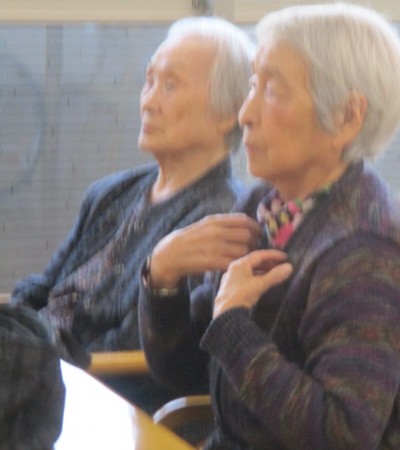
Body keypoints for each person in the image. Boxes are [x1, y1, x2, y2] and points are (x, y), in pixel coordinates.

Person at [140, 3, 400, 449]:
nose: (245, 113)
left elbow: (342, 436)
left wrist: (234, 326)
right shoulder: (268, 206)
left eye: (272, 91)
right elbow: (184, 370)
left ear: (346, 117)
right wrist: (162, 278)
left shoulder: (370, 252)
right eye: (252, 85)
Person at [10, 16, 256, 410]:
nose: (148, 101)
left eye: (170, 85)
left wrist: (31, 359)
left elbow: (134, 350)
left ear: (229, 111)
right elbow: (45, 287)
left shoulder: (218, 220)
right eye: (149, 81)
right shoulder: (111, 191)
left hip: (89, 395)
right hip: (32, 366)